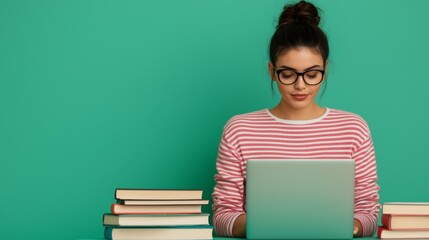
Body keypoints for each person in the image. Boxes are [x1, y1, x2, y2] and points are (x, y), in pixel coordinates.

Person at [211, 0, 380, 238]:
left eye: (312, 74)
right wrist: (278, 222)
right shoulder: (239, 129)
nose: (300, 85)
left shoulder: (353, 129)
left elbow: (368, 215)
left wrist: (348, 226)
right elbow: (222, 218)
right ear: (271, 71)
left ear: (325, 69)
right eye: (287, 74)